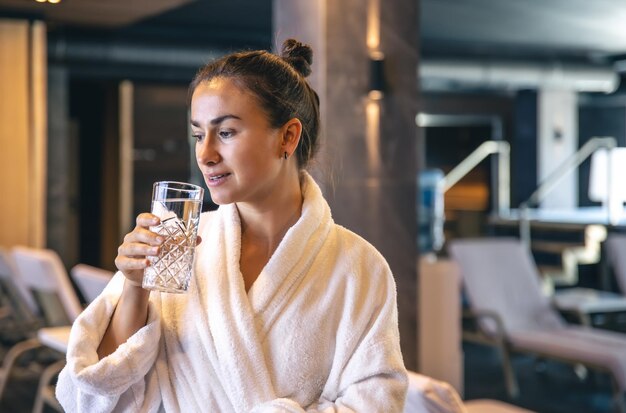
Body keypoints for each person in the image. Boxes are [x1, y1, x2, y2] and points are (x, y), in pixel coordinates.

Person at [56, 38, 408, 412]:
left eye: (225, 132)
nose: (205, 154)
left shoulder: (358, 266)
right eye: (197, 134)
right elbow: (93, 398)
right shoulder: (176, 246)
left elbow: (378, 400)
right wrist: (134, 286)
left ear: (287, 136)